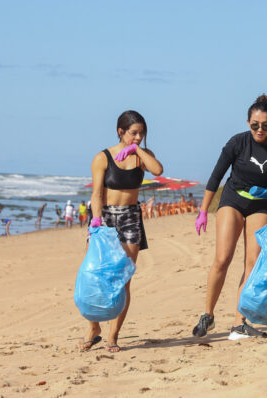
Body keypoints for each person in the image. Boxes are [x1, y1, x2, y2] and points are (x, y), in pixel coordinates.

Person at [192, 95, 267, 340]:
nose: (260, 129)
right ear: (248, 122)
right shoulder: (238, 143)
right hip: (233, 199)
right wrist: (203, 210)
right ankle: (208, 315)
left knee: (252, 264)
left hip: (261, 205)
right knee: (223, 258)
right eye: (255, 124)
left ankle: (239, 322)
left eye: (265, 125)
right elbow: (215, 177)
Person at [79, 110, 163, 353]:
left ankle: (113, 336)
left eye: (141, 133)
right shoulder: (102, 158)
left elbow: (157, 170)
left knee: (123, 279)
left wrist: (137, 150)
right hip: (104, 217)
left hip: (130, 218)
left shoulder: (142, 155)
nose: (138, 137)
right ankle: (93, 328)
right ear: (121, 132)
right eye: (133, 133)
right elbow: (96, 194)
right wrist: (96, 221)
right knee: (96, 274)